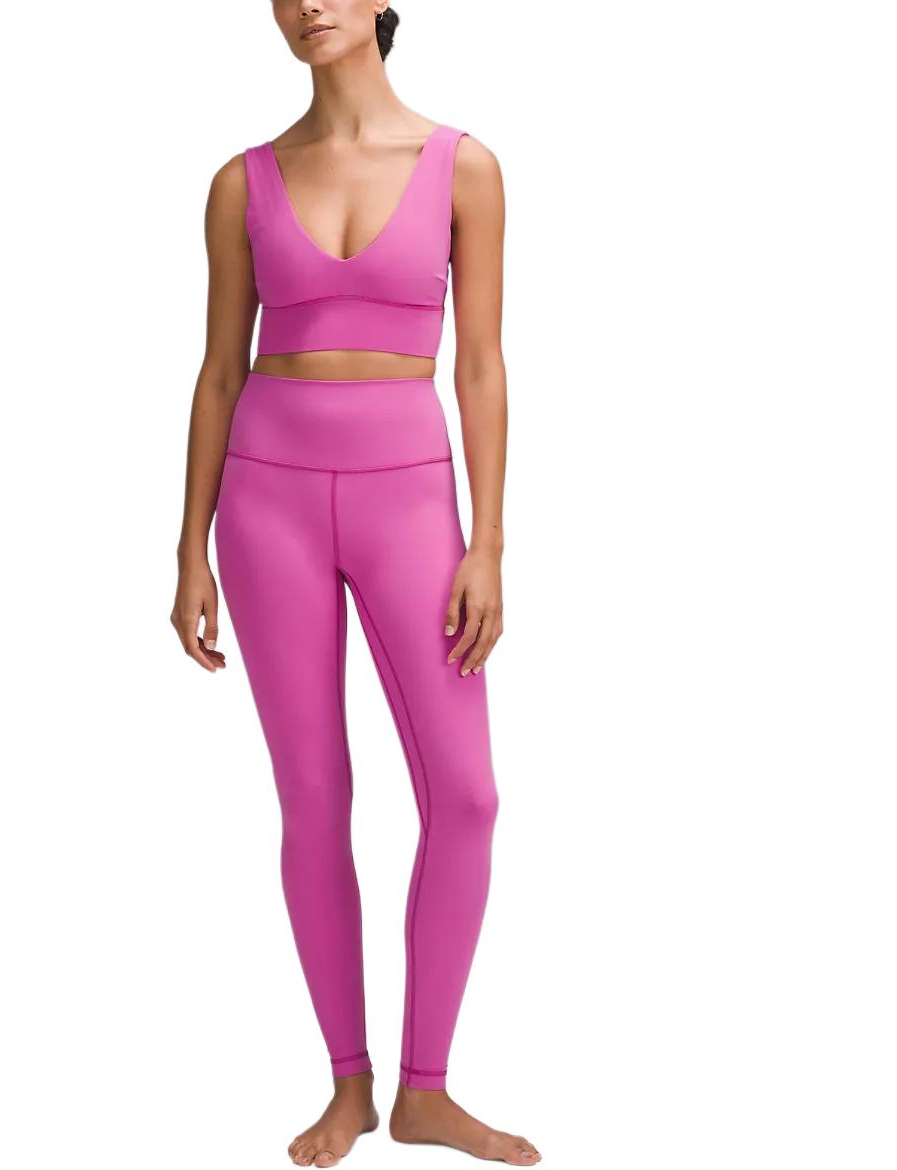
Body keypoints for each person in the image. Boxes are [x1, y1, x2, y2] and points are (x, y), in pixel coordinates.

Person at [171, 3, 537, 1165]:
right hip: (264, 501)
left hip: (411, 499)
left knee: (466, 796)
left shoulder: (464, 168)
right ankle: (350, 1084)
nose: (305, 7)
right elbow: (219, 372)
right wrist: (188, 547)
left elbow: (481, 365)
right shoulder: (239, 183)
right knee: (314, 799)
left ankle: (428, 1088)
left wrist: (489, 541)